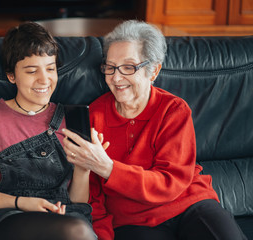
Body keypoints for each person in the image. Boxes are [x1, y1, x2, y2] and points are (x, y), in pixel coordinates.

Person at [61, 20, 247, 240]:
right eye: (110, 67)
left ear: (154, 71)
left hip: (189, 205)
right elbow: (93, 198)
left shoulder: (173, 110)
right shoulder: (94, 115)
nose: (116, 77)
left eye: (129, 67)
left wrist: (109, 168)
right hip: (133, 222)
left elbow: (171, 181)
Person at [0, 22, 96, 240]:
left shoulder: (70, 119)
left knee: (77, 228)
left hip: (63, 217)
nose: (44, 80)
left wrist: (84, 168)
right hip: (4, 217)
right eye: (31, 71)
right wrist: (22, 203)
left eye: (50, 68)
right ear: (11, 75)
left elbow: (77, 201)